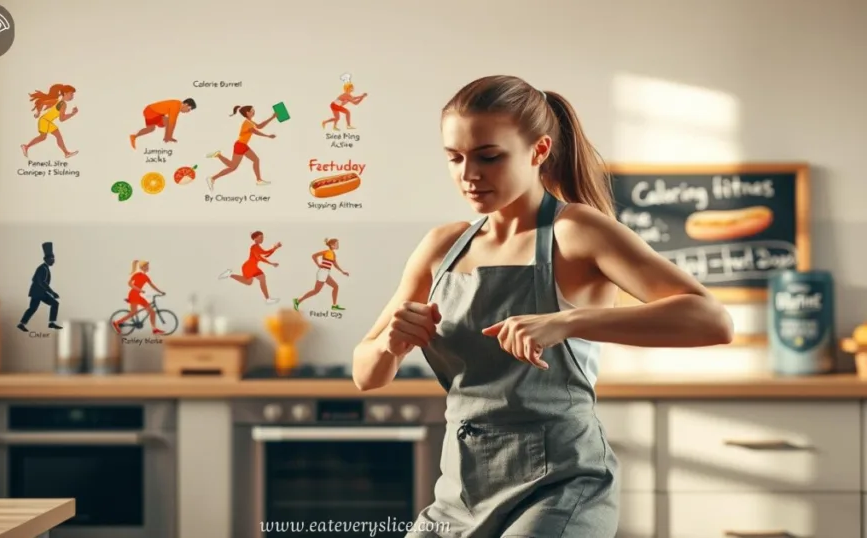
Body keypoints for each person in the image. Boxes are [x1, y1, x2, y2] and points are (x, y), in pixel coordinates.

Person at [352, 75, 735, 538]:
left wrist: (567, 322)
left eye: (489, 157)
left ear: (538, 151)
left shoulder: (575, 232)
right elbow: (366, 374)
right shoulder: (441, 247)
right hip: (460, 495)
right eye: (454, 158)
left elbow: (712, 320)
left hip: (559, 489)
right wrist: (391, 344)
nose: (468, 175)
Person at [205, 105, 277, 191]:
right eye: (252, 111)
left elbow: (259, 126)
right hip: (240, 145)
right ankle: (218, 158)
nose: (254, 112)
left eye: (254, 111)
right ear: (247, 113)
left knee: (255, 160)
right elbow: (255, 131)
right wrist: (268, 136)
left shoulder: (250, 122)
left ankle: (258, 180)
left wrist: (273, 117)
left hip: (243, 145)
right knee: (233, 166)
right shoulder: (247, 123)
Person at [219, 231, 281, 305]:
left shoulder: (257, 247)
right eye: (261, 237)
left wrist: (275, 248)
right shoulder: (254, 247)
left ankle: (230, 274)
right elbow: (262, 256)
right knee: (261, 278)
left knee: (249, 282)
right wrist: (271, 261)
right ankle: (267, 299)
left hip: (251, 266)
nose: (262, 239)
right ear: (255, 239)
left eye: (263, 237)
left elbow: (265, 254)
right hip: (249, 266)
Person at [21, 84, 79, 158]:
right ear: (65, 93)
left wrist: (38, 113)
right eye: (71, 94)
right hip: (45, 121)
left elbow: (42, 103)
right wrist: (72, 114)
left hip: (45, 120)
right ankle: (26, 146)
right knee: (51, 137)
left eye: (73, 95)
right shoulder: (63, 104)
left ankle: (26, 146)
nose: (72, 96)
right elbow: (62, 119)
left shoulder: (57, 101)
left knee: (47, 137)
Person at [294, 238, 349, 312]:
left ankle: (334, 306)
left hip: (326, 273)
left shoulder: (333, 254)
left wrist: (342, 271)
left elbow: (335, 264)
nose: (338, 245)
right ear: (332, 245)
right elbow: (314, 256)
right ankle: (298, 301)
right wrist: (318, 264)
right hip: (322, 272)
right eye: (337, 244)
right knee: (316, 291)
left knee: (335, 287)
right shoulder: (327, 251)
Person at [113, 260, 167, 334]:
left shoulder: (146, 277)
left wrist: (160, 292)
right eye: (146, 266)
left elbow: (152, 286)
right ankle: (117, 322)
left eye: (148, 266)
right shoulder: (137, 274)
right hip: (133, 294)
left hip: (137, 295)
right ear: (142, 267)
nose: (148, 267)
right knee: (133, 312)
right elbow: (129, 284)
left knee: (152, 312)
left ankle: (154, 329)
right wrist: (139, 289)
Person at [17, 242, 62, 332]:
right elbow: (41, 282)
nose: (53, 260)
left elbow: (43, 283)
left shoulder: (45, 268)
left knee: (54, 304)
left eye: (54, 258)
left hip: (42, 293)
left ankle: (51, 323)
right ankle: (21, 324)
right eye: (52, 258)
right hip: (37, 293)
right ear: (46, 259)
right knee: (33, 308)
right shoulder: (42, 268)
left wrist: (51, 293)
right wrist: (52, 293)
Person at [130, 98, 197, 149]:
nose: (188, 111)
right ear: (186, 104)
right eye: (189, 109)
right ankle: (167, 137)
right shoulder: (176, 106)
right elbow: (172, 123)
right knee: (168, 121)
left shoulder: (177, 104)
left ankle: (134, 136)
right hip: (152, 112)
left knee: (151, 128)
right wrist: (169, 137)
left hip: (149, 110)